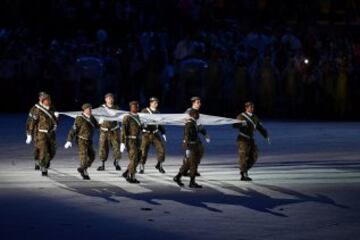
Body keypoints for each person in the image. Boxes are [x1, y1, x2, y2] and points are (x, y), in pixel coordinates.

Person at [233, 101, 270, 181]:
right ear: (246, 108)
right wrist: (242, 124)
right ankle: (244, 174)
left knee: (254, 156)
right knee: (243, 156)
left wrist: (266, 135)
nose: (252, 109)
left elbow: (259, 127)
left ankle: (244, 169)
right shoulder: (241, 116)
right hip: (242, 139)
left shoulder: (255, 117)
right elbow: (234, 125)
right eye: (250, 107)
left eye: (253, 107)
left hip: (251, 140)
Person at [25, 93, 58, 176]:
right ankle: (44, 167)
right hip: (40, 133)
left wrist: (56, 118)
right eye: (46, 100)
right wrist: (29, 134)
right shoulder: (36, 109)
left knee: (52, 151)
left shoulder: (52, 108)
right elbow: (31, 122)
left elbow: (55, 123)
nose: (48, 101)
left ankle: (43, 161)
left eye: (49, 100)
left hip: (51, 134)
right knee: (43, 151)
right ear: (42, 100)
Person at [64, 103, 99, 180]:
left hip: (89, 140)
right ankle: (84, 172)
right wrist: (69, 140)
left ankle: (82, 168)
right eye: (88, 109)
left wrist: (101, 123)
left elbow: (97, 126)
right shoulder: (79, 118)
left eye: (90, 109)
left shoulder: (92, 118)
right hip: (81, 140)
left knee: (92, 156)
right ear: (84, 110)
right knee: (84, 156)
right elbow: (73, 129)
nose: (90, 110)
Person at [173, 109, 203, 188]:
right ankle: (192, 182)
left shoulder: (193, 123)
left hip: (194, 145)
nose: (198, 115)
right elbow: (186, 136)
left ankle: (178, 177)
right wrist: (187, 149)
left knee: (188, 164)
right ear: (193, 114)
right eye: (197, 114)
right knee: (193, 164)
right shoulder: (189, 124)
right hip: (190, 146)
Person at [139, 97, 167, 174]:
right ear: (150, 103)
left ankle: (160, 165)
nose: (156, 104)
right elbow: (140, 122)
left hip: (155, 133)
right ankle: (141, 166)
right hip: (146, 134)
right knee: (143, 151)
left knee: (161, 149)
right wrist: (141, 129)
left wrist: (163, 133)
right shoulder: (144, 111)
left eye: (157, 103)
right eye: (154, 102)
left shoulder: (158, 112)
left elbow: (160, 123)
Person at [184, 96, 210, 176]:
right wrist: (186, 138)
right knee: (189, 155)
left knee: (200, 151)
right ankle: (185, 170)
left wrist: (205, 134)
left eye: (200, 102)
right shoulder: (189, 111)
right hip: (189, 136)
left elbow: (199, 125)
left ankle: (193, 169)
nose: (199, 104)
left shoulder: (197, 112)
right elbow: (187, 124)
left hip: (196, 136)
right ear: (193, 103)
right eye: (197, 102)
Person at [97, 93, 122, 171]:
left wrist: (120, 127)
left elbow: (120, 118)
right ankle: (102, 164)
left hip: (114, 131)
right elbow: (96, 118)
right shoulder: (101, 108)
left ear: (113, 99)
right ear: (105, 99)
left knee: (116, 147)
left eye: (111, 98)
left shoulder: (116, 108)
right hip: (104, 132)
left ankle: (116, 162)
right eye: (108, 98)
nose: (110, 100)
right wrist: (99, 123)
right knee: (103, 148)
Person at [120, 101, 142, 183]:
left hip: (137, 140)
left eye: (136, 106)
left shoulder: (138, 116)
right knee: (134, 158)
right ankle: (131, 177)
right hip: (130, 140)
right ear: (130, 107)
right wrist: (122, 142)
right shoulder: (127, 117)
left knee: (138, 157)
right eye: (133, 107)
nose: (135, 108)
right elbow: (123, 130)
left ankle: (127, 172)